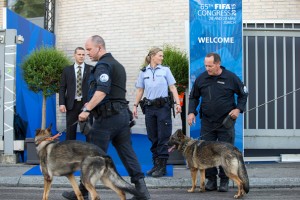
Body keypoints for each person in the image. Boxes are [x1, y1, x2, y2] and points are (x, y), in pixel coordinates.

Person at [62, 35, 151, 200]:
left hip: (107, 118)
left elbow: (102, 90)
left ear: (99, 47)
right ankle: (142, 191)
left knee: (92, 155)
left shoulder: (103, 65)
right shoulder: (117, 65)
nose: (87, 53)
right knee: (127, 152)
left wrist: (87, 109)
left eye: (89, 49)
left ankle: (83, 192)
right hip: (122, 116)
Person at [187, 52, 248, 192]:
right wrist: (191, 112)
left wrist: (238, 109)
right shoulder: (201, 78)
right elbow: (193, 97)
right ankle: (211, 181)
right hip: (208, 122)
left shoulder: (231, 77)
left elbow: (243, 94)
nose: (207, 68)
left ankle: (224, 181)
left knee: (225, 153)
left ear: (218, 64)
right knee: (206, 153)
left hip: (225, 122)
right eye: (205, 65)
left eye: (210, 65)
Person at [132, 47, 182, 178]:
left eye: (162, 56)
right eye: (160, 55)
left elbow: (172, 88)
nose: (162, 58)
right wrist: (135, 105)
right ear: (153, 56)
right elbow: (140, 91)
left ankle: (162, 167)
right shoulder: (143, 72)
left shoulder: (165, 70)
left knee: (163, 137)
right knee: (152, 137)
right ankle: (156, 164)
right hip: (149, 108)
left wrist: (177, 103)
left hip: (163, 108)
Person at [59, 47, 92, 141]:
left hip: (86, 105)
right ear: (74, 55)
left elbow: (94, 88)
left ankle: (90, 152)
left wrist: (91, 103)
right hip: (71, 105)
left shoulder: (91, 69)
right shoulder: (67, 70)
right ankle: (70, 153)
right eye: (79, 54)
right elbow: (62, 88)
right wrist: (62, 103)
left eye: (83, 54)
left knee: (89, 131)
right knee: (70, 132)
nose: (81, 56)